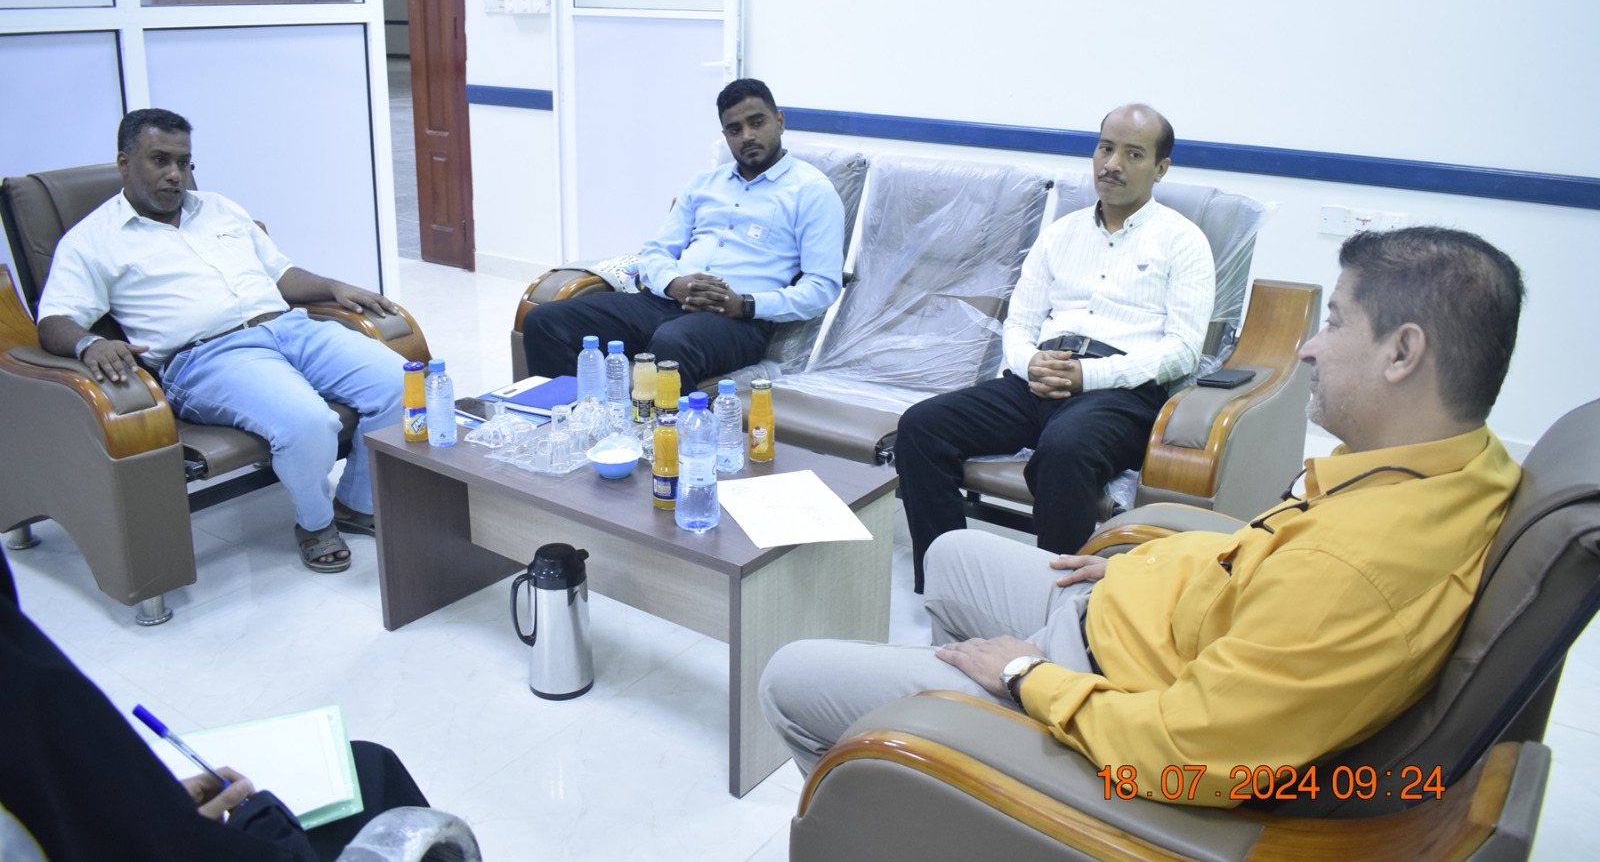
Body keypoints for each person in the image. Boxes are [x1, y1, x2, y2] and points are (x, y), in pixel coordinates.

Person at [761, 226, 1524, 806]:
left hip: (1102, 699)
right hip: (1124, 625)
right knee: (951, 557)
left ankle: (943, 768)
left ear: (1403, 352)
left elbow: (1184, 755)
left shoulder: (1354, 570)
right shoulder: (1450, 465)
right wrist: (1141, 562)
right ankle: (949, 780)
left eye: (1336, 321)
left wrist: (1026, 676)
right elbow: (1255, 559)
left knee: (786, 678)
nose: (1309, 347)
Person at [36, 108, 405, 573]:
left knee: (403, 383)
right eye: (160, 160)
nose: (175, 174)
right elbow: (53, 319)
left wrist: (333, 287)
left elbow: (280, 274)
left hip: (292, 328)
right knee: (308, 422)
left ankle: (356, 502)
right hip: (209, 358)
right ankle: (315, 523)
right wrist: (89, 344)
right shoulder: (93, 240)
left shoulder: (219, 208)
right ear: (124, 163)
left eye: (184, 161)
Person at [895, 103, 1216, 591]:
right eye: (1105, 148)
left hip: (1119, 393)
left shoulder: (1183, 241)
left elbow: (1183, 350)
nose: (1112, 164)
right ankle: (947, 582)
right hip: (1039, 379)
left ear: (1161, 168)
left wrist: (1089, 376)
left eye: (1133, 154)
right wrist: (1031, 363)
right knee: (921, 426)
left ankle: (1052, 601)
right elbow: (1019, 323)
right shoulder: (1060, 234)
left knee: (1065, 449)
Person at [0, 548, 431, 861]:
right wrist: (256, 824)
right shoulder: (33, 693)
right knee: (372, 778)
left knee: (363, 763)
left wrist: (160, 809)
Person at [521, 77, 846, 387]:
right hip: (662, 302)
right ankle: (573, 417)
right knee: (546, 321)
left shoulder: (811, 191)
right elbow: (657, 250)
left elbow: (822, 287)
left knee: (673, 343)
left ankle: (663, 429)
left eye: (756, 122)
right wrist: (673, 284)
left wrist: (744, 304)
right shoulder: (704, 184)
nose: (747, 136)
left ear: (780, 121)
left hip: (737, 322)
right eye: (734, 129)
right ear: (725, 135)